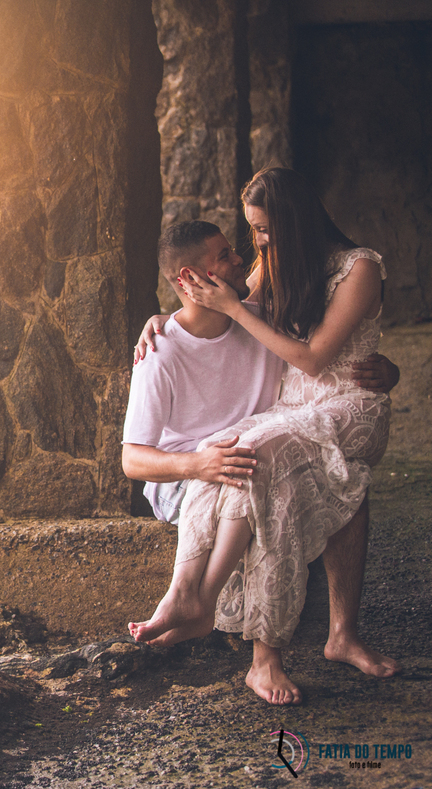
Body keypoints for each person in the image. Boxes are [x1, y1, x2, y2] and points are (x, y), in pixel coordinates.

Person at [124, 177, 400, 704]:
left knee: (272, 457)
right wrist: (164, 318)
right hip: (291, 411)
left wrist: (392, 372)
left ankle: (227, 617)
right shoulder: (274, 265)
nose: (258, 244)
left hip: (346, 404)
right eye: (253, 232)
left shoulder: (359, 267)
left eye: (263, 230)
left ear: (292, 222)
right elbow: (209, 299)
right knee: (232, 447)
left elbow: (316, 358)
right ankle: (196, 601)